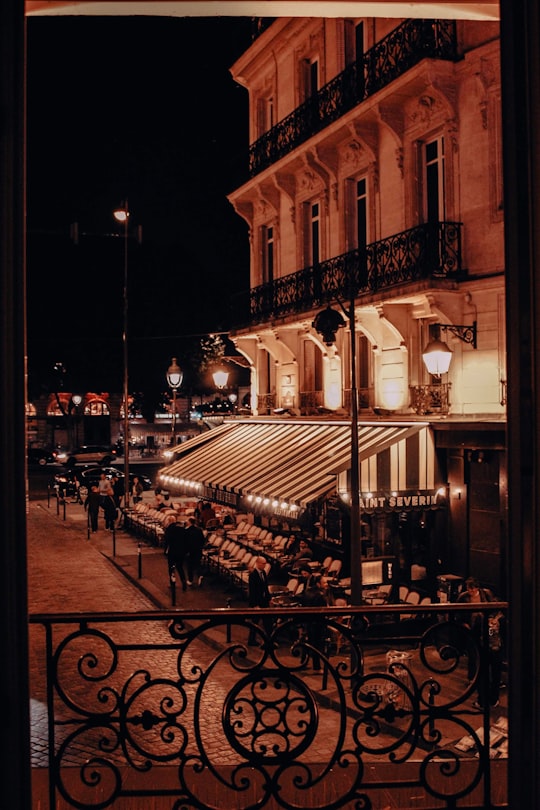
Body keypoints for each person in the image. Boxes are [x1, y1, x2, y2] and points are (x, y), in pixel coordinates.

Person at [457, 576, 504, 708]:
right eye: (468, 589)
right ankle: (477, 681)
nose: (470, 592)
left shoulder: (486, 596)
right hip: (479, 633)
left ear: (477, 587)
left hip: (485, 636)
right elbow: (458, 614)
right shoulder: (463, 598)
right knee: (476, 657)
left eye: (472, 589)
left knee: (483, 663)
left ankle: (485, 698)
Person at [297, 574, 329, 670]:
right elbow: (324, 611)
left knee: (308, 641)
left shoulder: (307, 591)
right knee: (316, 645)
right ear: (318, 584)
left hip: (307, 621)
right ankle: (317, 667)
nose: (326, 584)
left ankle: (303, 662)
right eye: (324, 582)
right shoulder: (320, 596)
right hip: (317, 623)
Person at [247, 556, 272, 645]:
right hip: (257, 602)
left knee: (267, 621)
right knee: (255, 622)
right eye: (263, 563)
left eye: (265, 563)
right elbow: (252, 591)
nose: (265, 565)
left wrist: (269, 599)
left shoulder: (264, 573)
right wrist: (255, 605)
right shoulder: (253, 575)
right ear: (257, 563)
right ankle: (251, 640)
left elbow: (266, 587)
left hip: (264, 600)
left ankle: (269, 639)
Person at [163, 518, 188, 591]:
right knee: (180, 567)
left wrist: (165, 551)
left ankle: (172, 582)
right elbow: (185, 540)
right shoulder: (182, 529)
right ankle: (183, 581)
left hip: (172, 551)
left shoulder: (169, 529)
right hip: (181, 551)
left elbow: (167, 541)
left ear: (169, 521)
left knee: (171, 567)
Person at [184, 516, 206, 586]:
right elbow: (203, 540)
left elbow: (185, 541)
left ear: (189, 522)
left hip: (190, 550)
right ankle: (200, 575)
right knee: (197, 563)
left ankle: (190, 580)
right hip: (198, 549)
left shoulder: (187, 531)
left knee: (190, 566)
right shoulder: (199, 530)